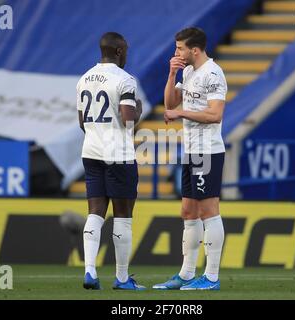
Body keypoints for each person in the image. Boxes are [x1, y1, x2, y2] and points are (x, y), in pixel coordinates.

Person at [153, 27, 227, 290]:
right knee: (188, 211)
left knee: (208, 210)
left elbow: (215, 114)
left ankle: (212, 276)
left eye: (180, 48)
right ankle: (186, 274)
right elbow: (170, 105)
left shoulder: (213, 73)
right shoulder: (187, 71)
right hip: (191, 150)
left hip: (208, 150)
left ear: (194, 50)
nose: (176, 52)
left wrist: (181, 113)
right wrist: (172, 73)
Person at [76, 32, 144, 290]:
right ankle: (123, 279)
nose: (126, 55)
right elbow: (128, 119)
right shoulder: (124, 80)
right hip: (118, 154)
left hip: (91, 151)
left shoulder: (83, 79)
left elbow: (82, 122)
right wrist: (138, 109)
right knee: (123, 216)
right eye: (125, 50)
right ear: (118, 51)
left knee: (95, 212)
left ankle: (90, 272)